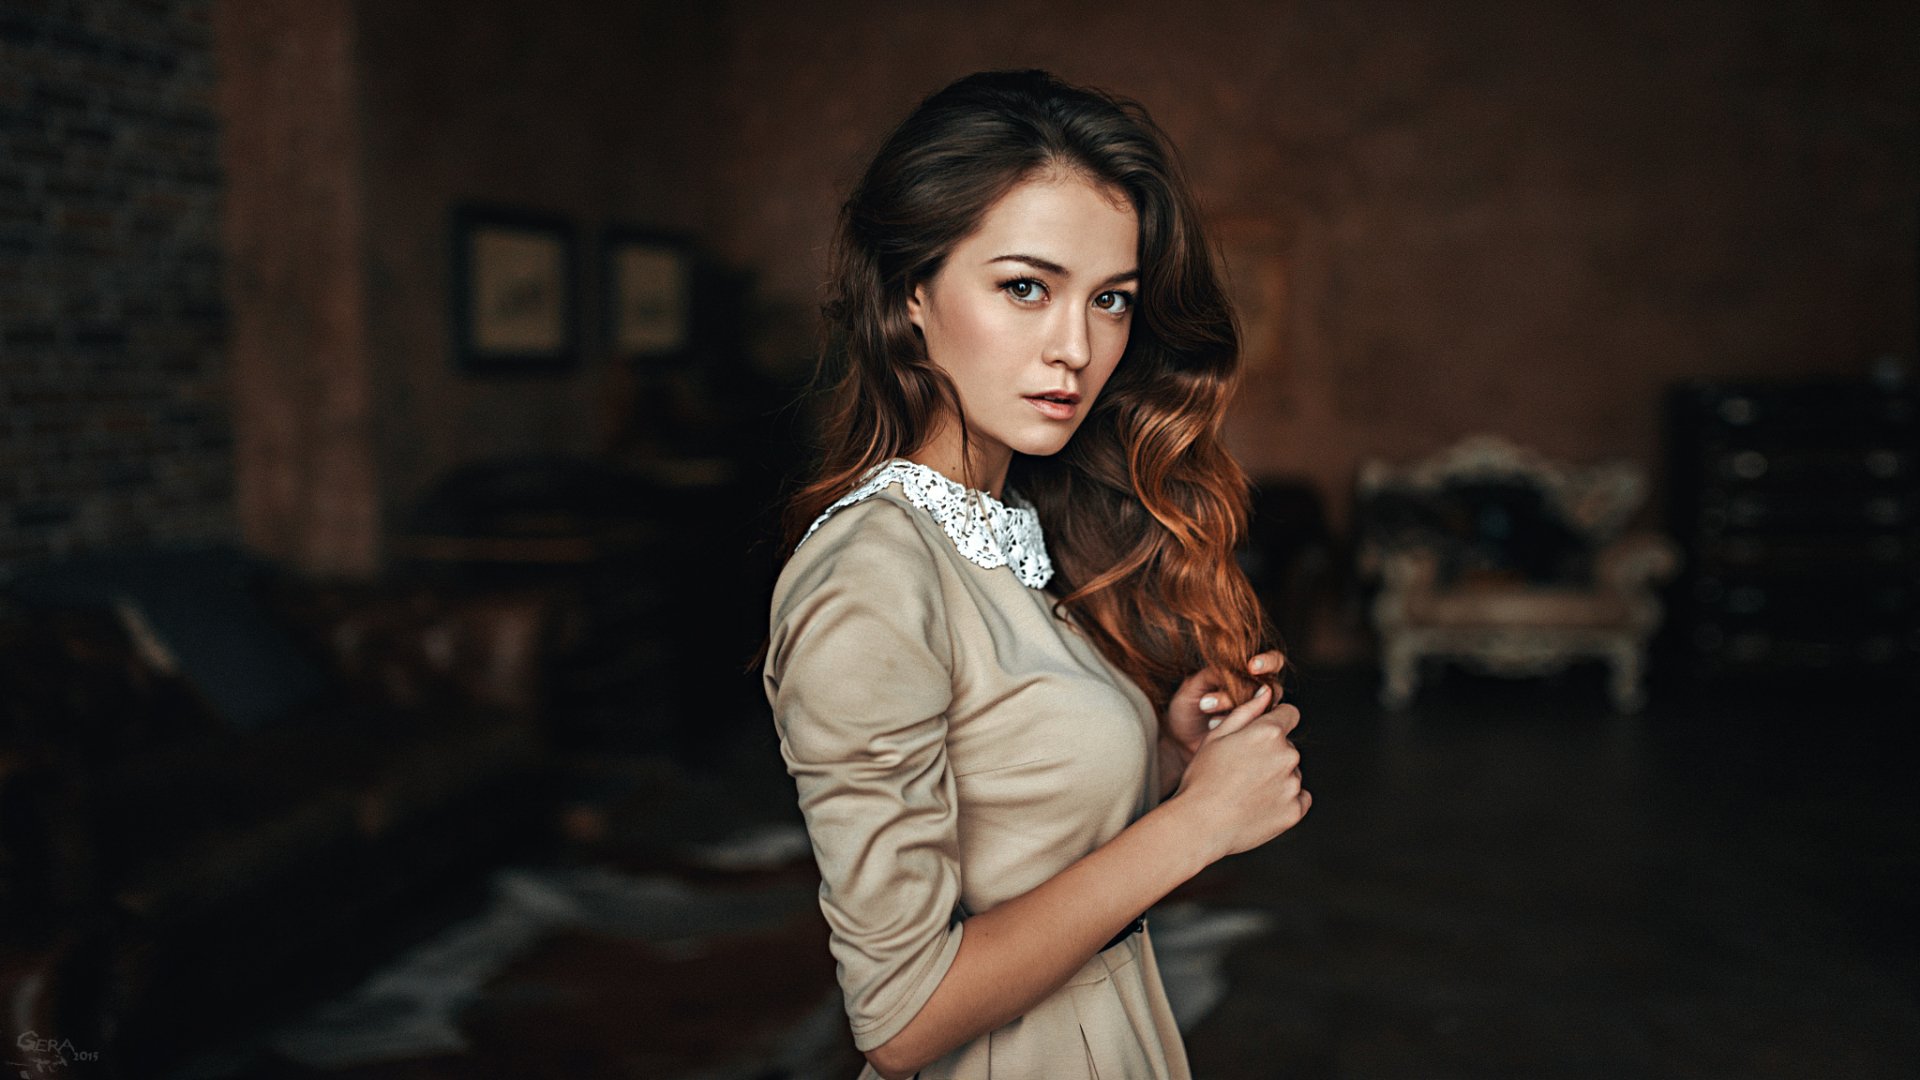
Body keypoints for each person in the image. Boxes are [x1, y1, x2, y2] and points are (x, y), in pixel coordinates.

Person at [754, 68, 1310, 1080]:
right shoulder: (870, 576)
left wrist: (1167, 755)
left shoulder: (1007, 529)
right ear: (912, 293)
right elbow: (902, 1019)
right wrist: (1200, 826)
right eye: (1025, 287)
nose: (1076, 348)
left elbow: (1018, 834)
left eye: (1111, 300)